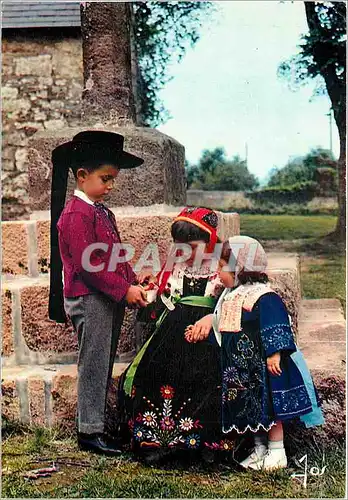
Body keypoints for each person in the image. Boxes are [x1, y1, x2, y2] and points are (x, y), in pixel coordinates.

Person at [49, 130, 148, 455]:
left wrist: (134, 281)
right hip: (90, 299)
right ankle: (89, 432)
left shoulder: (102, 212)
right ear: (81, 176)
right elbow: (89, 268)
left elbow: (113, 256)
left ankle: (100, 426)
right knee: (93, 363)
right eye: (105, 178)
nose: (110, 186)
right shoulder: (76, 215)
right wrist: (124, 290)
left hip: (107, 297)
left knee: (103, 361)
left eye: (113, 179)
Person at [187, 235, 324, 470]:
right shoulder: (230, 296)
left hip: (264, 367)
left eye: (222, 267)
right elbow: (224, 326)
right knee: (251, 412)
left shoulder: (262, 296)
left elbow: (276, 323)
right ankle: (259, 449)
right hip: (242, 371)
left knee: (270, 410)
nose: (218, 273)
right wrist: (205, 332)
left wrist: (274, 353)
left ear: (241, 268)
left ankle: (277, 451)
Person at [116, 206, 234, 463]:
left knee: (205, 375)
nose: (185, 253)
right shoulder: (175, 268)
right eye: (179, 247)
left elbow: (234, 301)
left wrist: (213, 318)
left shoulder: (222, 268)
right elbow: (160, 295)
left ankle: (203, 443)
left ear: (210, 241)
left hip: (208, 333)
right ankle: (159, 439)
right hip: (174, 330)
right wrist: (148, 289)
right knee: (157, 371)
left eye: (192, 246)